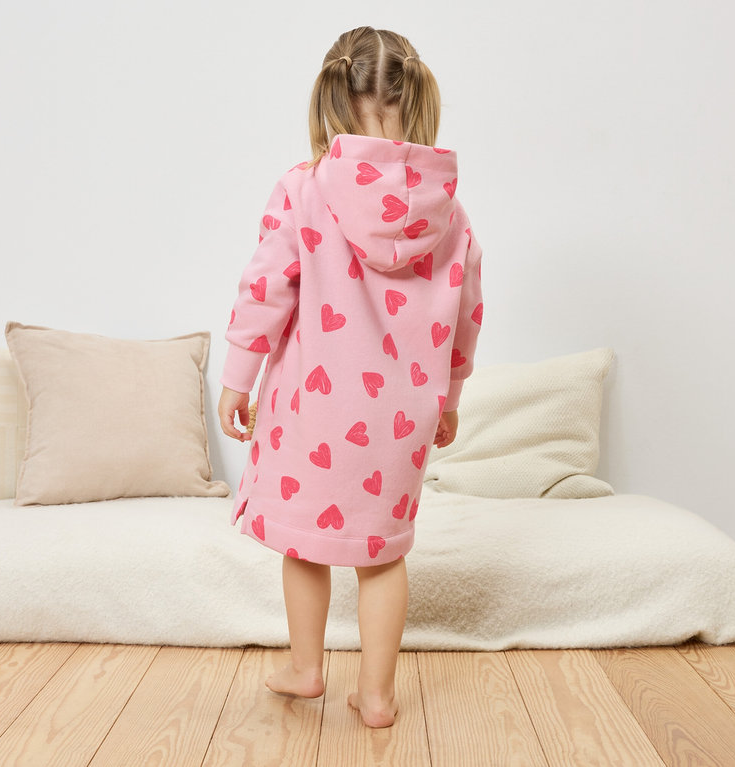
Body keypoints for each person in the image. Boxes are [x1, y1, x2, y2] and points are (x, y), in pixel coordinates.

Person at [217, 26, 482, 728]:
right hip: (402, 421)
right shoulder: (451, 217)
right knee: (381, 555)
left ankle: (307, 669)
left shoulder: (303, 189)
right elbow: (466, 317)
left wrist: (238, 375)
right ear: (415, 96)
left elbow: (265, 287)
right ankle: (378, 695)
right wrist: (449, 399)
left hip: (315, 412)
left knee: (306, 545)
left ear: (333, 95)